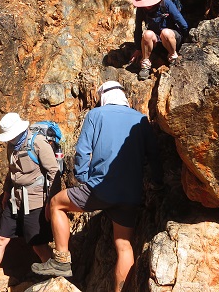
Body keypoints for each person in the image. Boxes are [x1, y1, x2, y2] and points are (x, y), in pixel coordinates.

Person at [31, 81, 161, 292]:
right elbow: (154, 155)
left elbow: (83, 151)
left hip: (100, 188)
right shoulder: (141, 120)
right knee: (124, 246)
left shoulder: (96, 115)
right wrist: (157, 182)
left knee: (56, 203)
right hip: (130, 192)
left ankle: (62, 259)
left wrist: (83, 177)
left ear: (104, 97)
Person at [0, 112, 60, 292]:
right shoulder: (12, 145)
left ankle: (56, 280)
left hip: (35, 201)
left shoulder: (38, 143)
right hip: (14, 199)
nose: (9, 140)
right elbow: (12, 172)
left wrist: (52, 202)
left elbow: (54, 172)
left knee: (38, 244)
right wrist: (5, 192)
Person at [129, 0, 188, 81]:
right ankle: (145, 64)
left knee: (166, 33)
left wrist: (185, 40)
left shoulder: (166, 4)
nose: (147, 5)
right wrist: (138, 48)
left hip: (171, 37)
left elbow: (183, 24)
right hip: (156, 39)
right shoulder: (141, 9)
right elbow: (138, 28)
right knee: (147, 34)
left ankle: (173, 56)